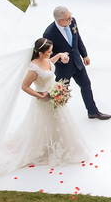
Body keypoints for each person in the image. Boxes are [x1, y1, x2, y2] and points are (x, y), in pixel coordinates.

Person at [9, 38, 90, 167]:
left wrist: (59, 55)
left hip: (54, 97)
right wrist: (39, 96)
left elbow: (49, 65)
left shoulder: (46, 60)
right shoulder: (34, 68)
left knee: (59, 122)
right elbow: (25, 86)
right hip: (44, 100)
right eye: (49, 52)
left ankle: (60, 145)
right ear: (41, 53)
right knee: (44, 124)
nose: (51, 54)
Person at [44, 6, 111, 120]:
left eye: (70, 17)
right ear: (59, 21)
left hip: (78, 63)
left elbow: (77, 39)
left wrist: (84, 55)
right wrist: (60, 58)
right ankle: (56, 116)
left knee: (86, 85)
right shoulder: (49, 34)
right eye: (67, 19)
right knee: (60, 93)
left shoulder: (72, 22)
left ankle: (93, 111)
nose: (71, 20)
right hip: (63, 69)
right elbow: (48, 55)